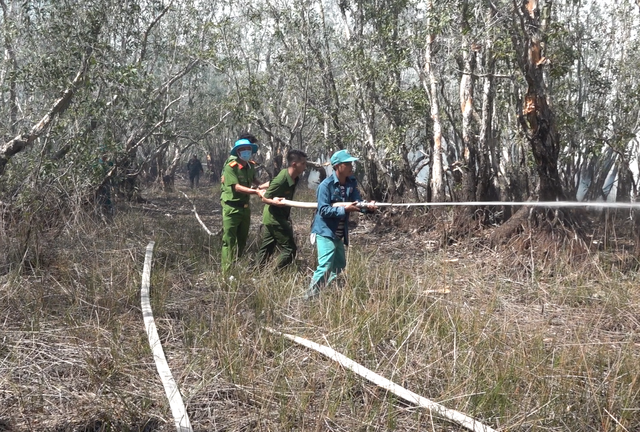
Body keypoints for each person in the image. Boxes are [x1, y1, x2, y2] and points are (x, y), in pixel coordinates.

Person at [306, 149, 376, 299]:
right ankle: (310, 297)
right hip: (325, 231)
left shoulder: (351, 183)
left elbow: (358, 203)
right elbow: (323, 210)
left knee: (338, 265)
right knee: (325, 266)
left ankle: (321, 290)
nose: (351, 166)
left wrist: (368, 208)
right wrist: (345, 210)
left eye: (351, 163)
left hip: (339, 233)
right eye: (347, 163)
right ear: (337, 166)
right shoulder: (326, 186)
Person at [220, 134, 268, 274]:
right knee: (229, 241)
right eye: (244, 149)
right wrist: (256, 192)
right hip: (231, 207)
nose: (247, 152)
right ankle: (227, 272)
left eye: (249, 149)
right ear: (238, 151)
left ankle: (236, 266)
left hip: (245, 208)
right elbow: (236, 187)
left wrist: (265, 186)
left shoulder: (250, 166)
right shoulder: (231, 166)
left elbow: (255, 180)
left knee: (242, 240)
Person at [257, 149, 308, 269]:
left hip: (276, 216)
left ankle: (256, 272)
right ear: (294, 164)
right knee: (290, 249)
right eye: (303, 164)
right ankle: (274, 272)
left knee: (267, 247)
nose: (305, 167)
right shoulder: (282, 179)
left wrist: (259, 186)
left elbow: (272, 182)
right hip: (274, 218)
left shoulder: (293, 177)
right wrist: (273, 202)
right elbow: (265, 199)